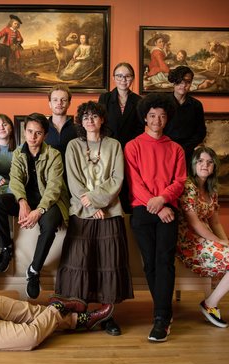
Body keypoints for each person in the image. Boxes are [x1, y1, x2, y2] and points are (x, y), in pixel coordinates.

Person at [55, 101, 133, 337]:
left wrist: (99, 203)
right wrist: (91, 208)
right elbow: (74, 182)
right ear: (80, 121)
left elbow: (117, 179)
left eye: (95, 116)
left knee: (107, 262)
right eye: (85, 116)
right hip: (82, 212)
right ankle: (79, 313)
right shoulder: (73, 146)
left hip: (110, 212)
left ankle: (107, 315)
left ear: (102, 120)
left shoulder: (114, 145)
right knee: (81, 261)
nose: (90, 120)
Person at [124, 93, 187, 342]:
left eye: (162, 116)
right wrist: (157, 205)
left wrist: (163, 201)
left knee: (164, 261)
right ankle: (163, 310)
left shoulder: (176, 148)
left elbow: (180, 180)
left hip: (169, 210)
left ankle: (161, 317)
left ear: (166, 118)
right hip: (142, 210)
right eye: (152, 115)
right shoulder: (133, 146)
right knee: (149, 263)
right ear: (145, 118)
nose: (157, 120)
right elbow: (134, 181)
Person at [0, 113, 69, 298]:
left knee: (49, 225)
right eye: (30, 132)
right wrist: (22, 202)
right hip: (26, 198)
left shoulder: (54, 155)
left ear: (45, 135)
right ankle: (6, 248)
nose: (33, 137)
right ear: (24, 131)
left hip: (50, 201)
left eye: (38, 133)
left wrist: (38, 211)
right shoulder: (18, 153)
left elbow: (54, 188)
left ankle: (34, 270)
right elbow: (15, 180)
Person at [177, 147, 229, 328]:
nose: (204, 165)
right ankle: (210, 304)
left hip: (207, 240)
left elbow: (214, 222)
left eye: (209, 162)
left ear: (214, 167)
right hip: (190, 243)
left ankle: (211, 302)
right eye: (200, 161)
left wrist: (226, 242)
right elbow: (195, 224)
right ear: (194, 164)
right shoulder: (188, 186)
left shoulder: (211, 191)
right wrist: (219, 242)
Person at [98, 62, 143, 212]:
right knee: (108, 183)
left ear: (133, 78)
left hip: (131, 150)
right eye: (119, 76)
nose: (123, 80)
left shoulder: (139, 101)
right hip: (108, 149)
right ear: (113, 78)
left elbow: (140, 128)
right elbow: (100, 124)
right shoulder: (105, 98)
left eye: (128, 76)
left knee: (128, 185)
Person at [164, 66, 207, 166]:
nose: (183, 85)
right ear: (174, 82)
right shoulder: (163, 102)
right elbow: (157, 128)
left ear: (191, 83)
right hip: (166, 148)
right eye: (180, 81)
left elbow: (201, 132)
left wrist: (185, 148)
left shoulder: (196, 105)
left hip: (188, 151)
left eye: (187, 82)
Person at [45, 84, 77, 163]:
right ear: (50, 104)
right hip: (48, 174)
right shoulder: (42, 129)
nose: (59, 103)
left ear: (69, 104)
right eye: (55, 100)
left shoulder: (78, 130)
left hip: (71, 174)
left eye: (64, 100)